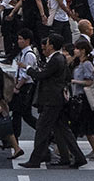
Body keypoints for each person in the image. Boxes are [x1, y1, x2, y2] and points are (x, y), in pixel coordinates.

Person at [21, 33, 82, 168]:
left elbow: (42, 75)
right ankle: (75, 157)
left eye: (47, 43)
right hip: (58, 98)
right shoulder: (60, 59)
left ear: (52, 45)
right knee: (62, 129)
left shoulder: (55, 59)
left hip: (52, 100)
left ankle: (36, 159)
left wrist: (29, 69)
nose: (46, 46)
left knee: (42, 128)